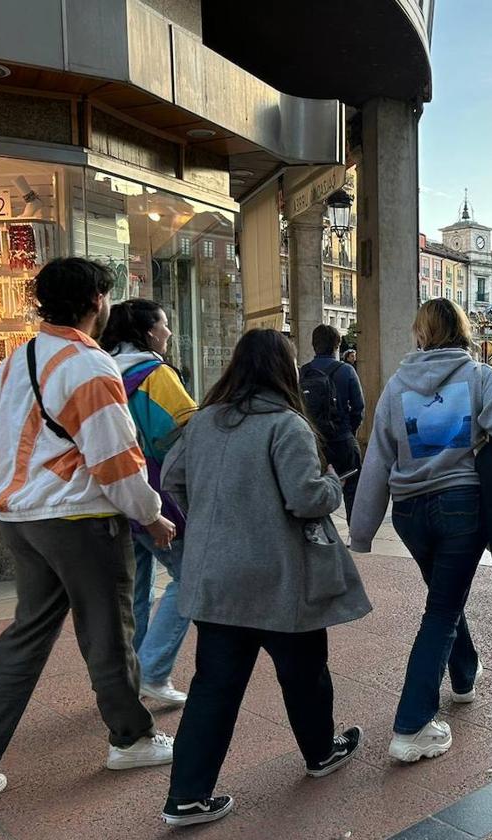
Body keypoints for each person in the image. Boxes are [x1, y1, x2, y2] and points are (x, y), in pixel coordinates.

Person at [0, 258, 177, 801]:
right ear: (97, 301)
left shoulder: (15, 359)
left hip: (20, 516)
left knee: (25, 635)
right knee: (108, 632)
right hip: (78, 518)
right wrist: (150, 513)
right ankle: (131, 739)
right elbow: (116, 456)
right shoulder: (88, 365)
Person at [160, 329, 371, 827]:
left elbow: (172, 479)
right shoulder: (286, 425)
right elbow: (305, 498)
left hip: (217, 579)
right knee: (304, 673)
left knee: (213, 686)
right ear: (284, 369)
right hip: (279, 577)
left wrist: (209, 517)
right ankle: (320, 754)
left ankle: (186, 796)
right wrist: (332, 488)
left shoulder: (204, 421)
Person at [349, 299, 492, 763]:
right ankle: (412, 724)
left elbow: (378, 459)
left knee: (444, 598)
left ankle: (464, 675)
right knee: (442, 610)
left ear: (421, 333)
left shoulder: (397, 385)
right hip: (462, 507)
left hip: (409, 513)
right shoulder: (480, 377)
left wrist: (362, 529)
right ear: (461, 332)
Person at [100, 299, 197, 707]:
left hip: (111, 495)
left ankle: (127, 678)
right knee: (189, 578)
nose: (169, 332)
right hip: (157, 493)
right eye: (165, 324)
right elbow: (181, 432)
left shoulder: (103, 370)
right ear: (148, 331)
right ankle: (154, 671)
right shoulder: (155, 374)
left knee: (134, 593)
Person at [301, 324, 365, 518]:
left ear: (313, 345)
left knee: (315, 490)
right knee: (353, 488)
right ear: (337, 345)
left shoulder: (303, 373)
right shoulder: (346, 371)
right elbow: (359, 407)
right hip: (342, 439)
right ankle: (355, 535)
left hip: (314, 443)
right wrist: (348, 431)